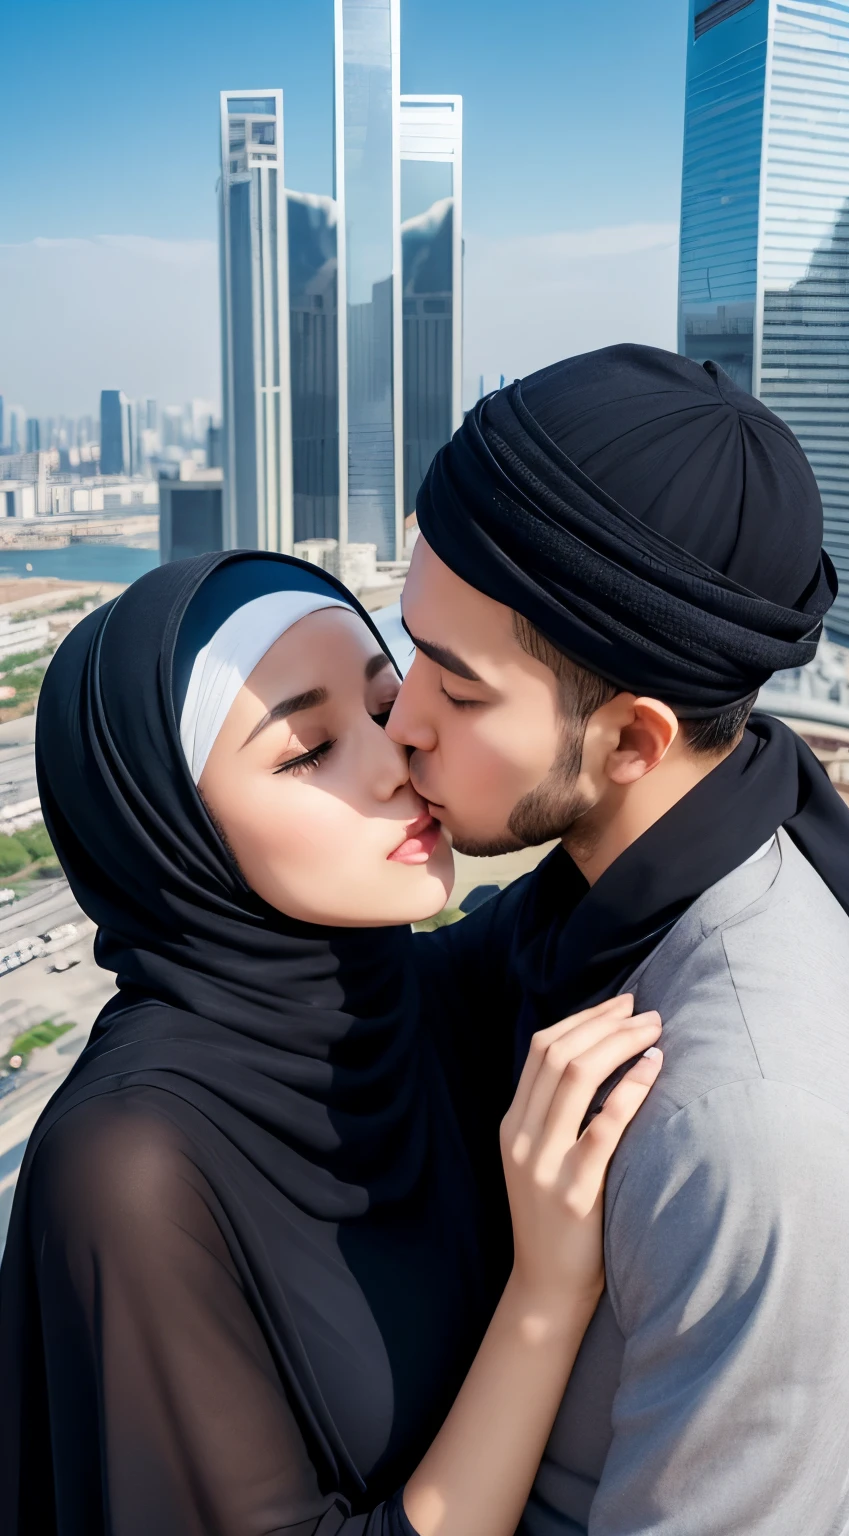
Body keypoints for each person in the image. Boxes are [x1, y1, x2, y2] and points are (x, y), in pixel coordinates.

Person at [0, 551, 662, 1536]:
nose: (398, 759)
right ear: (174, 839)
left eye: (388, 703)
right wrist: (545, 1298)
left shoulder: (428, 1002)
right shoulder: (127, 1171)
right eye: (308, 750)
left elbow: (671, 820)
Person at [388, 345, 849, 1534]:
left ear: (633, 742)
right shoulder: (594, 899)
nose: (401, 722)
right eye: (408, 660)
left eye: (456, 691)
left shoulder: (741, 1129)